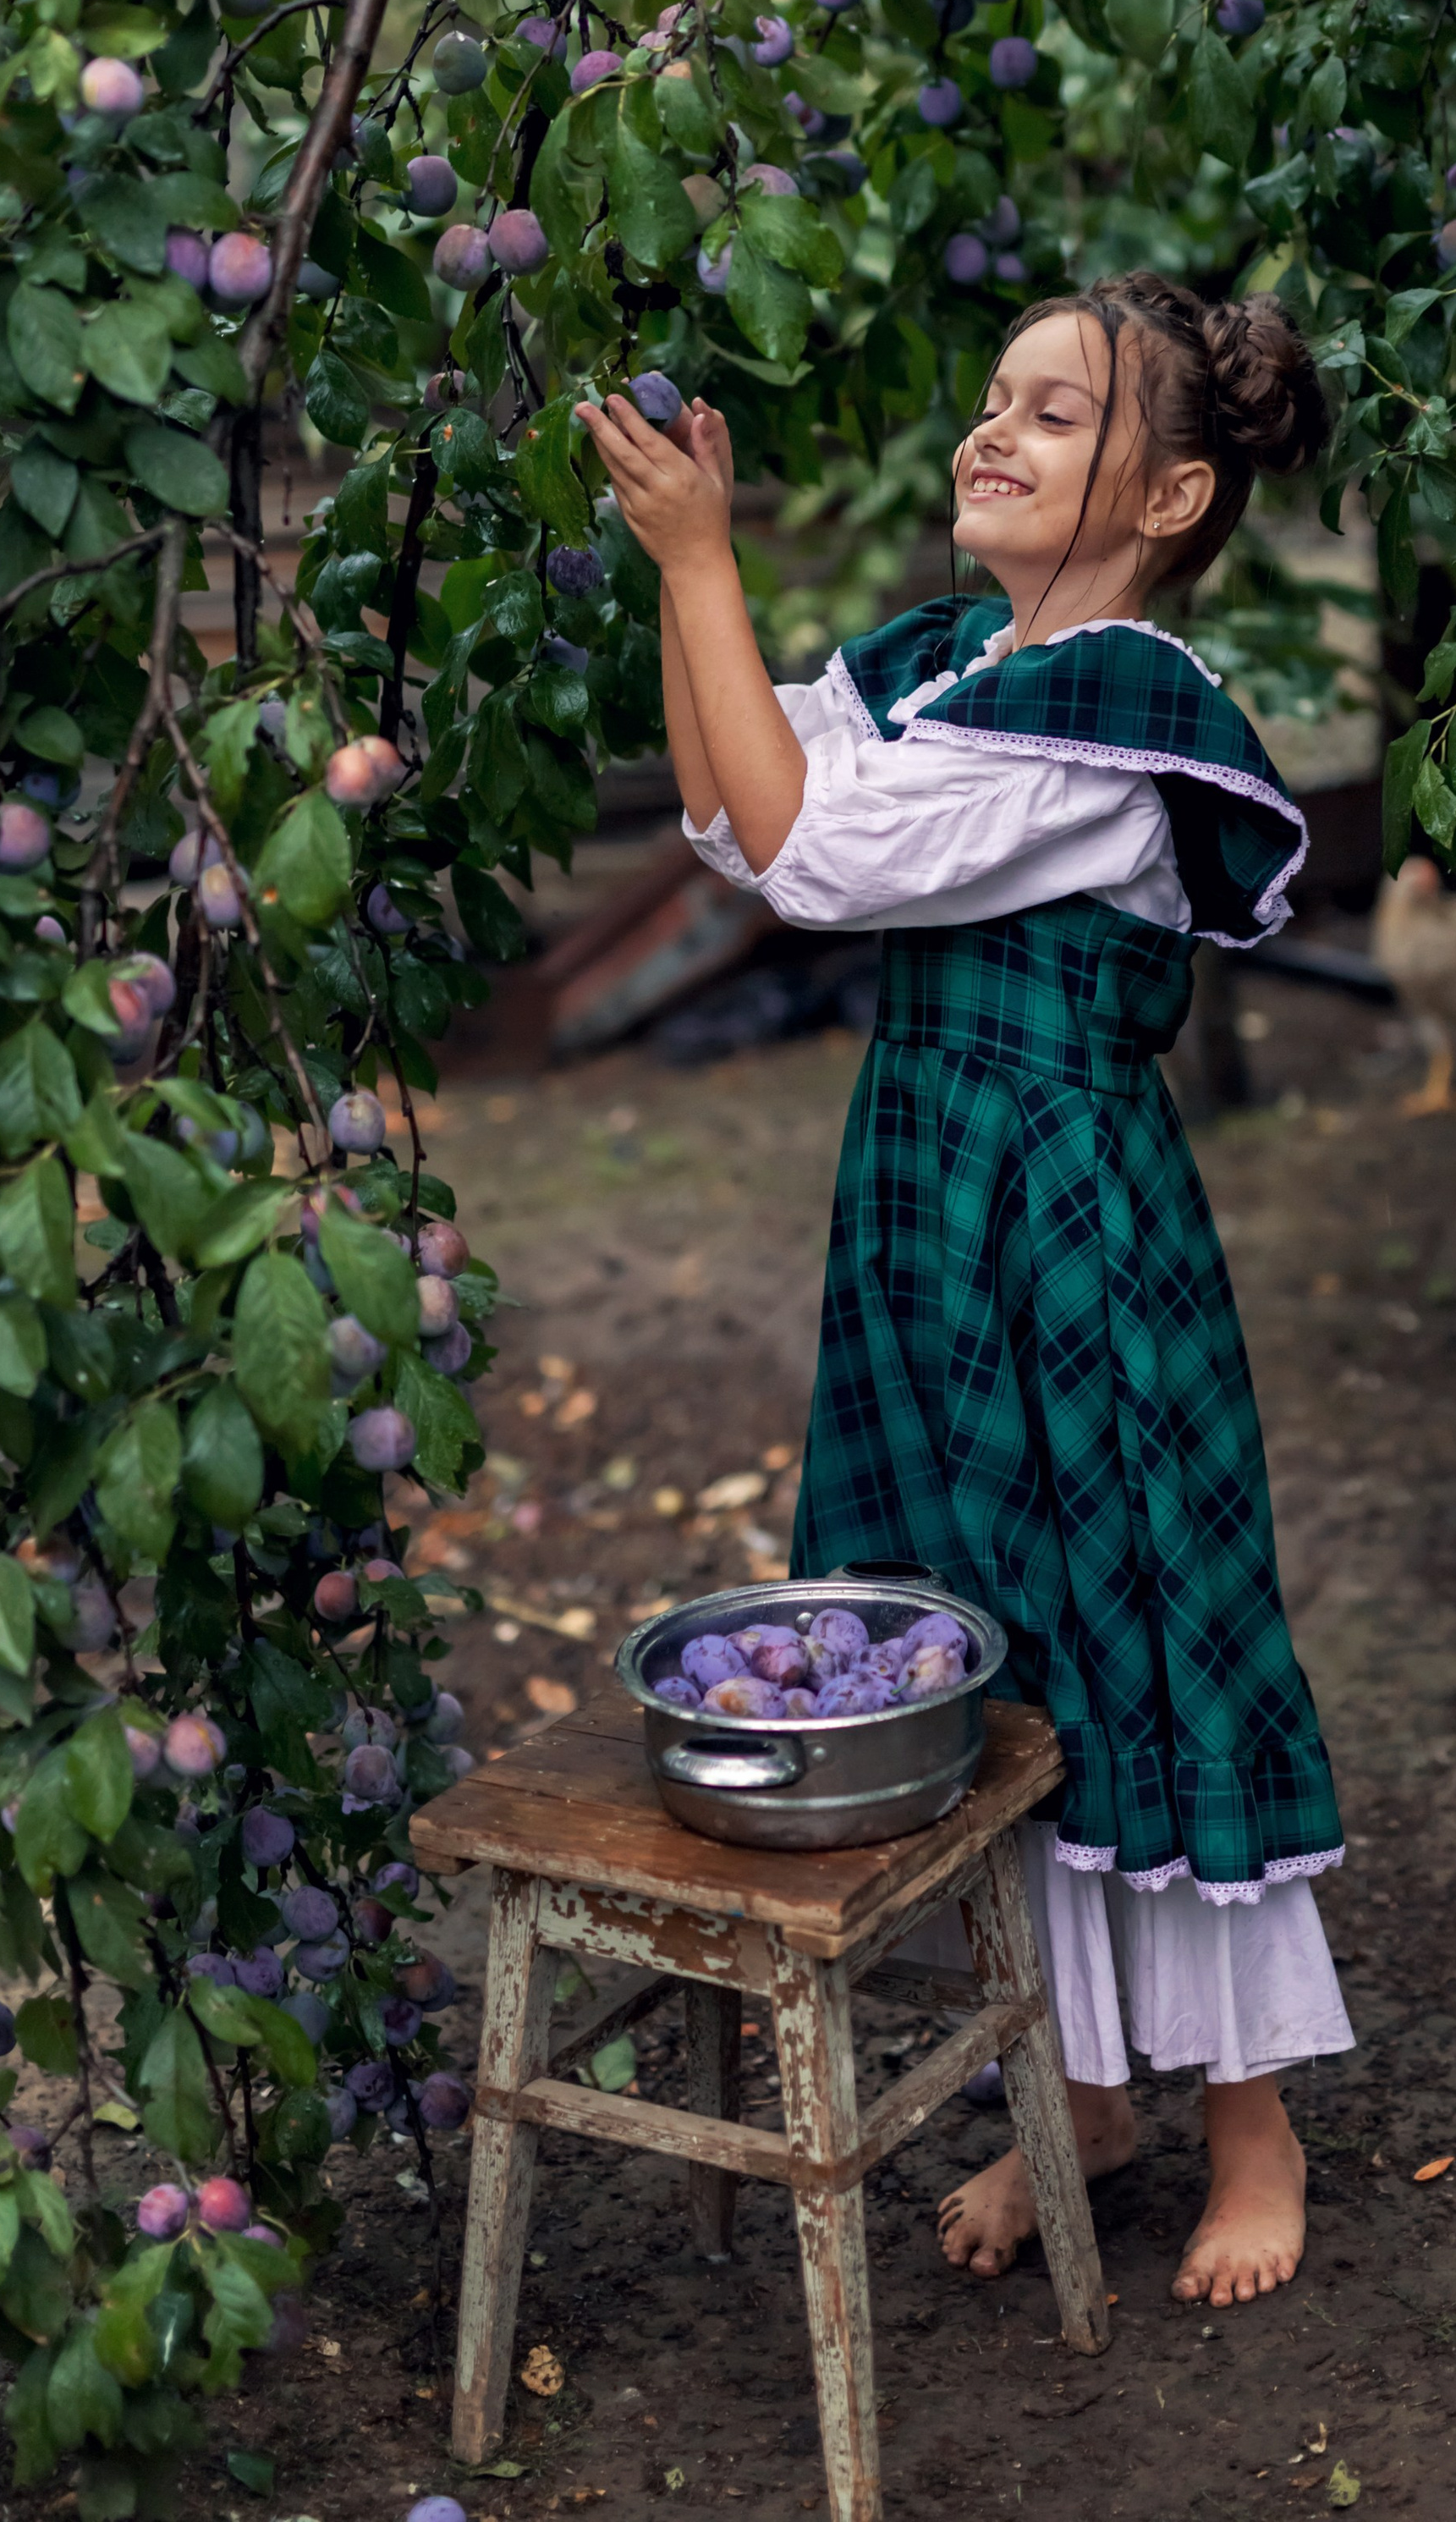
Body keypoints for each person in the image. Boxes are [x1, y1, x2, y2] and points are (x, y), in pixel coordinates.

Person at [574, 269, 1353, 2307]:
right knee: (973, 1620)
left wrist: (705, 561)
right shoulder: (943, 660)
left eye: (1052, 415)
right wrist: (688, 580)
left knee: (1138, 1623)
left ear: (1171, 491)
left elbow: (815, 856)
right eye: (988, 398)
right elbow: (737, 827)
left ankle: (1246, 2117)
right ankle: (1070, 2096)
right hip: (928, 1190)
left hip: (1069, 1215)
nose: (988, 434)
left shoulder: (1112, 709)